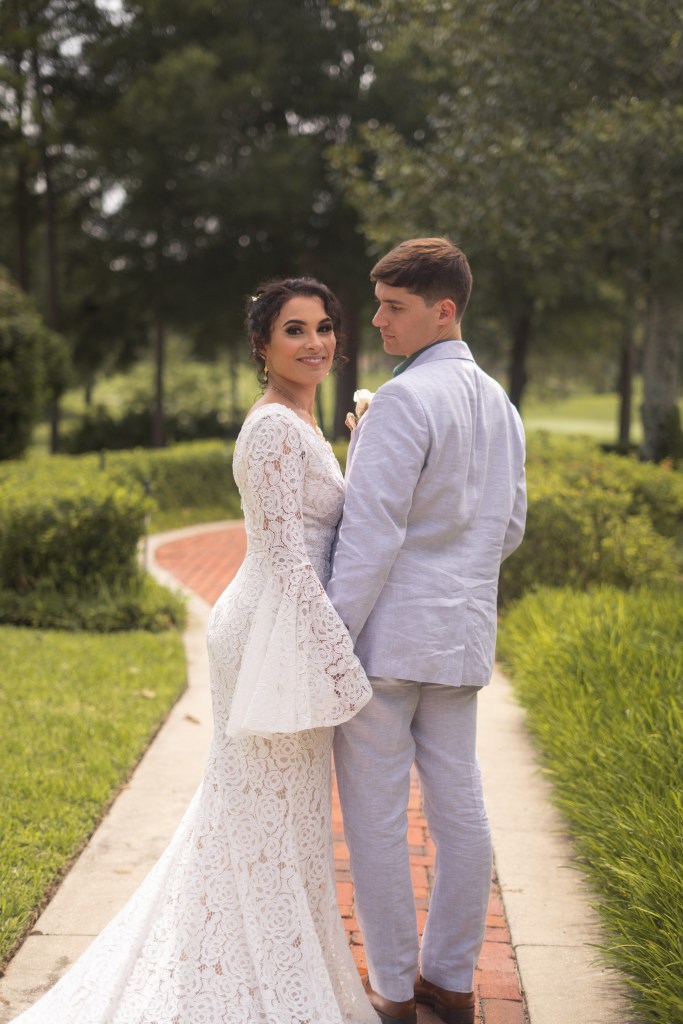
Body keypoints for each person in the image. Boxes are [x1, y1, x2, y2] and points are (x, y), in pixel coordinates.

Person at [11, 277, 378, 1024]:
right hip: (271, 632)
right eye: (294, 330)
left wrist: (360, 441)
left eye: (324, 328)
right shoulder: (272, 428)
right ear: (261, 346)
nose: (314, 343)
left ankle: (273, 964)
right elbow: (284, 556)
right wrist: (340, 660)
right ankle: (256, 983)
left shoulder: (299, 423)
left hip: (283, 626)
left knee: (276, 816)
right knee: (264, 815)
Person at [327, 238, 527, 1024]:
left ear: (443, 309)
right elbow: (509, 527)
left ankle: (394, 986)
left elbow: (370, 535)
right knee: (460, 808)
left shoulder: (404, 401)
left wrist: (329, 636)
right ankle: (452, 979)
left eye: (393, 307)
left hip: (384, 642)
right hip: (461, 637)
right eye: (377, 303)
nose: (376, 319)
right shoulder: (501, 404)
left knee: (376, 821)